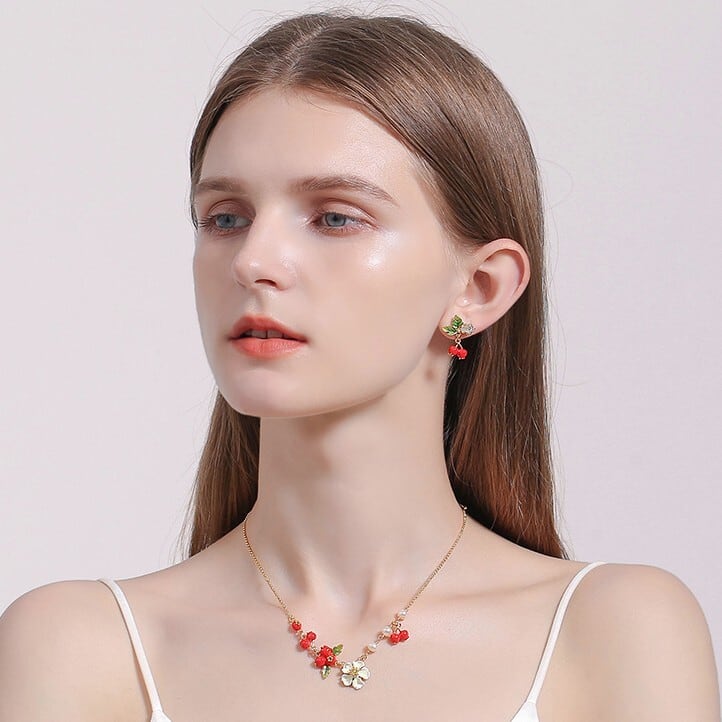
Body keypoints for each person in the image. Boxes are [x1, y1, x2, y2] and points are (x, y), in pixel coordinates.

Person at [0, 10, 718, 721]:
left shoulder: (615, 632)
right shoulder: (82, 645)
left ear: (479, 288)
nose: (253, 260)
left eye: (335, 217)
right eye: (226, 217)